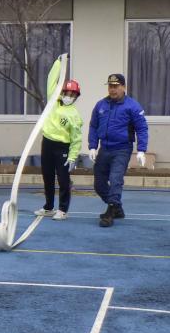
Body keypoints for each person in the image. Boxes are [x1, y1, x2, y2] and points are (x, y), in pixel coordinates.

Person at [88, 73, 149, 228]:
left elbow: (142, 128)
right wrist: (93, 146)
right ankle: (117, 208)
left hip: (122, 149)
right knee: (99, 184)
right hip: (104, 148)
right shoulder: (100, 105)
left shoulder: (132, 106)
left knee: (115, 180)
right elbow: (93, 126)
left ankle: (110, 213)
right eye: (110, 86)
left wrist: (141, 150)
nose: (112, 90)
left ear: (123, 87)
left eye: (116, 86)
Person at [34, 57, 83, 221]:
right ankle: (48, 206)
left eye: (72, 94)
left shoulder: (74, 115)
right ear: (61, 93)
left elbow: (76, 138)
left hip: (63, 147)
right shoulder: (53, 101)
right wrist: (59, 62)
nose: (68, 96)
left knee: (63, 179)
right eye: (66, 93)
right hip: (47, 143)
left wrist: (73, 156)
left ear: (76, 96)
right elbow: (51, 79)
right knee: (47, 176)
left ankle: (63, 209)